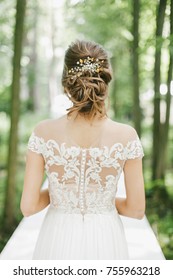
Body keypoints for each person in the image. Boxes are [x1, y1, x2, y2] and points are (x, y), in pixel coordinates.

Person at [20, 40, 145, 260]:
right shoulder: (127, 136)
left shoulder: (43, 132)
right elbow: (136, 210)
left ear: (65, 83)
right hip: (106, 238)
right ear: (106, 81)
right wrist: (101, 200)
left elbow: (29, 207)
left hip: (57, 237)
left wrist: (63, 194)